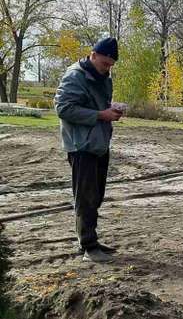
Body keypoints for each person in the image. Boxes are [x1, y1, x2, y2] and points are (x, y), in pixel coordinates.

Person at [54, 37, 123, 263]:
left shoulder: (103, 78)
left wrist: (111, 110)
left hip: (99, 142)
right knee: (85, 196)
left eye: (111, 65)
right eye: (105, 63)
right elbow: (63, 108)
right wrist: (100, 115)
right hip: (81, 144)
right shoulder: (75, 76)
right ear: (93, 55)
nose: (108, 68)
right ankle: (88, 247)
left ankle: (91, 239)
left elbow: (98, 105)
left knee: (97, 195)